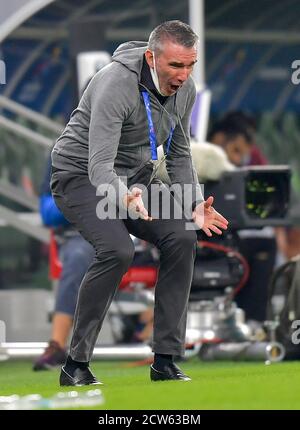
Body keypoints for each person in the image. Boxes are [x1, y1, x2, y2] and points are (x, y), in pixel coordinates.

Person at [51, 20, 228, 385]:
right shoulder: (115, 83)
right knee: (117, 250)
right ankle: (76, 364)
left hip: (135, 181)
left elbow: (179, 155)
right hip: (80, 176)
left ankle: (165, 361)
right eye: (176, 66)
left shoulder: (185, 89)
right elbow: (98, 166)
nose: (184, 75)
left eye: (190, 64)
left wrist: (193, 203)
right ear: (151, 57)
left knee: (182, 236)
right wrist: (123, 197)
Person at [33, 155, 95, 371]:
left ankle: (159, 337)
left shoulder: (130, 139)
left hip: (129, 228)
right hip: (78, 234)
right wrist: (85, 200)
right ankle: (57, 345)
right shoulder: (62, 149)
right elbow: (47, 212)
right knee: (78, 257)